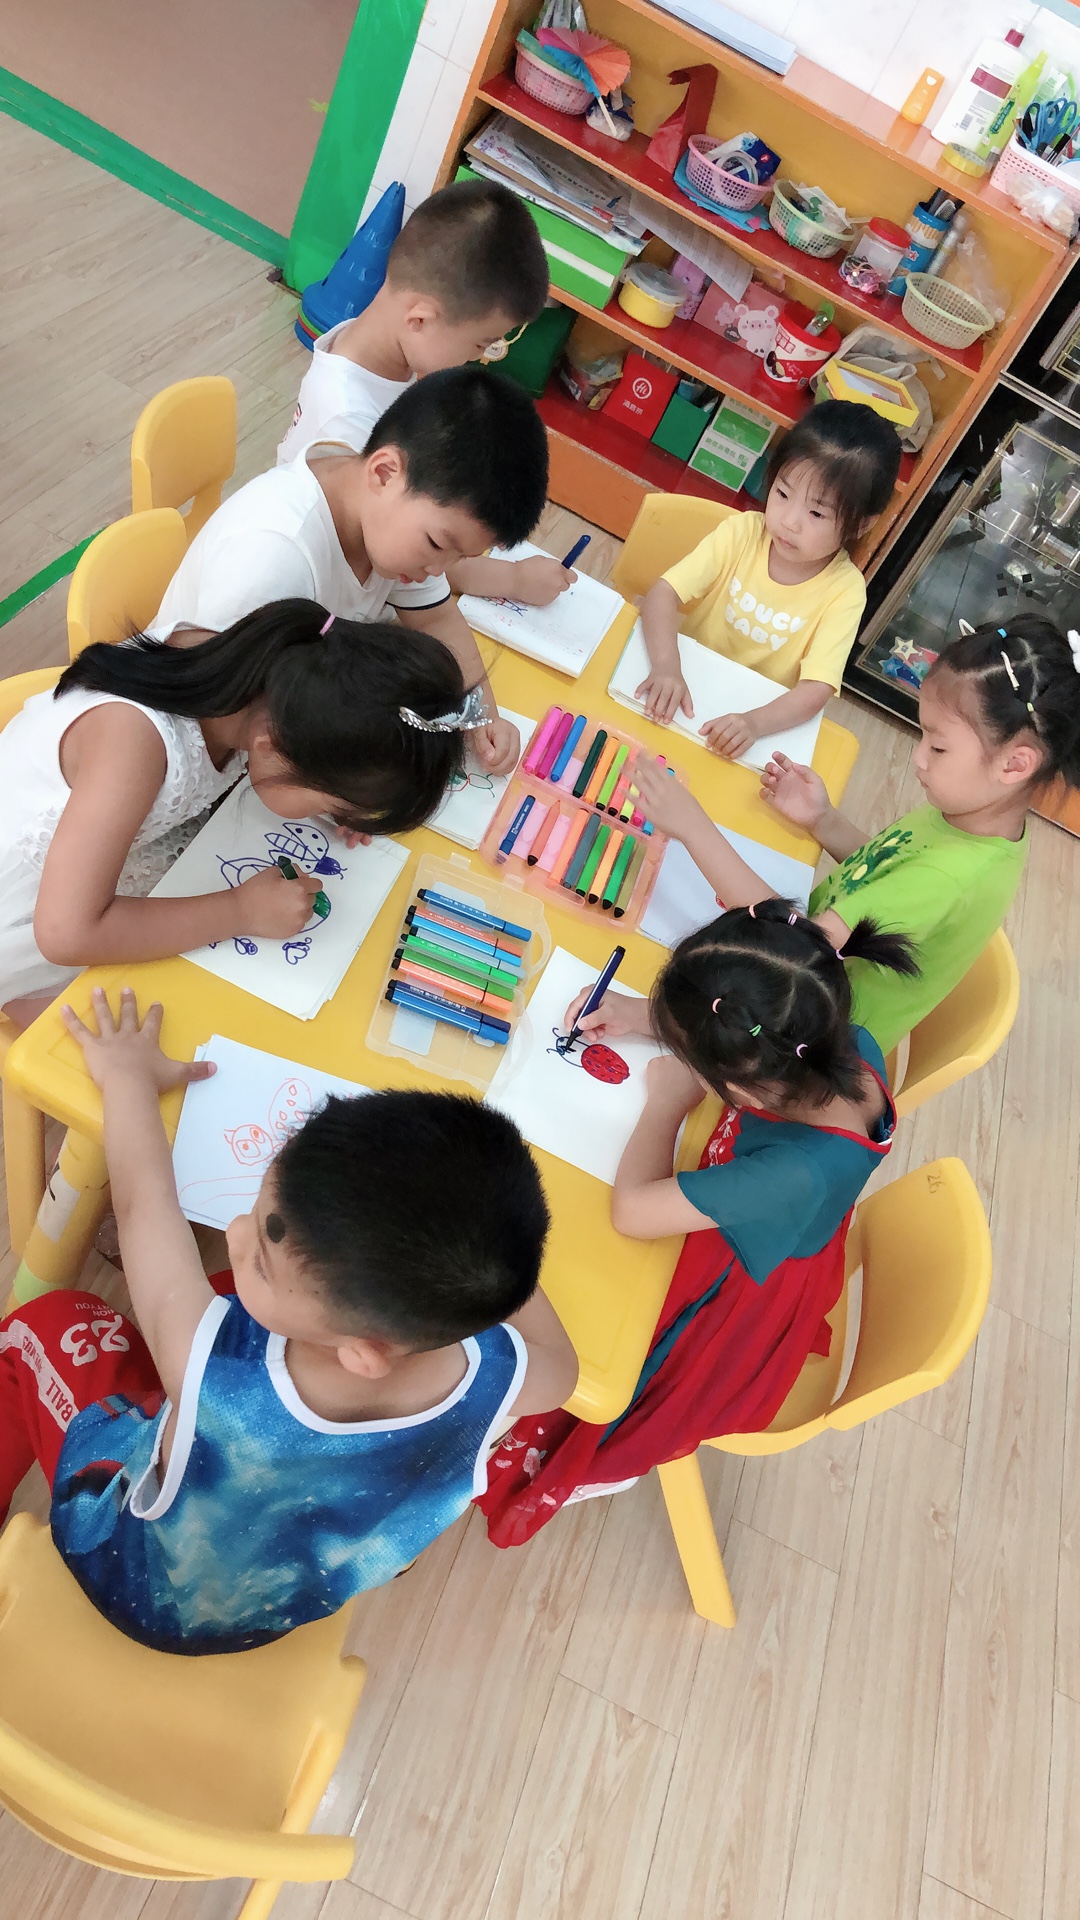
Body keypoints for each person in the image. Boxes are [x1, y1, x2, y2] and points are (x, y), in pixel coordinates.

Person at [0, 988, 577, 1653]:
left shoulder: (209, 1360)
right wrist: (478, 1254)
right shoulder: (508, 1378)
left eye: (264, 1261)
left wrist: (127, 1077)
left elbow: (141, 1207)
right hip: (274, 1603)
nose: (235, 1231)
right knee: (229, 1293)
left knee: (48, 1319)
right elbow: (561, 1366)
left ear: (364, 1351)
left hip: (132, 1577)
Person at [477, 901, 914, 1546]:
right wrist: (647, 1019)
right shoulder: (837, 1041)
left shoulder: (794, 1172)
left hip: (718, 1308)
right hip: (765, 1227)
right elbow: (750, 1026)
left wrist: (667, 1103)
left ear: (742, 1090)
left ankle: (562, 1459)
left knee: (556, 1296)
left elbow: (632, 1211)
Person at [0, 601, 472, 1024]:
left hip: (91, 865)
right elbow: (66, 934)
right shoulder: (131, 744)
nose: (339, 819)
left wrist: (340, 795)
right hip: (27, 918)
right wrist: (240, 911)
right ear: (274, 747)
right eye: (336, 806)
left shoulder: (268, 676)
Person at [631, 613, 1080, 1055]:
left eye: (938, 746)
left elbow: (794, 947)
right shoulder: (971, 816)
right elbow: (888, 874)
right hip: (807, 973)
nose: (918, 757)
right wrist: (823, 820)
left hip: (804, 1036)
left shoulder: (949, 877)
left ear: (1015, 765)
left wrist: (694, 828)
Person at [150, 367, 551, 775]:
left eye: (460, 557)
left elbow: (437, 619)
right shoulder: (275, 555)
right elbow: (230, 708)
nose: (438, 569)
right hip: (184, 747)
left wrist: (480, 714)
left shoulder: (386, 523)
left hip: (275, 722)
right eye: (437, 544)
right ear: (384, 473)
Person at [278, 178, 571, 611]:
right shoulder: (351, 426)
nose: (481, 359)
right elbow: (417, 566)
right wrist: (513, 578)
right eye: (481, 343)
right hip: (316, 607)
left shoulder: (365, 349)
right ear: (420, 320)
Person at [636, 401, 901, 758]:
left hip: (757, 718)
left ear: (862, 524)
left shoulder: (845, 591)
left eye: (816, 513)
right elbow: (663, 593)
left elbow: (816, 690)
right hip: (686, 686)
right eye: (782, 493)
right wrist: (667, 666)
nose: (789, 521)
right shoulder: (742, 532)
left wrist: (753, 724)